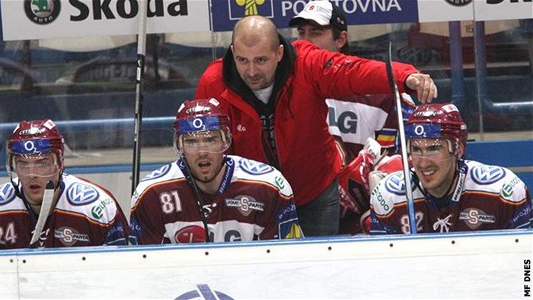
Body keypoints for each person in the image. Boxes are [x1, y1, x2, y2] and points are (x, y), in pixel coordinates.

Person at [195, 15, 437, 236]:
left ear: (279, 53)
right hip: (249, 198)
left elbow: (352, 71)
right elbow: (203, 145)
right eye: (242, 60)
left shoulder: (307, 63)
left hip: (315, 192)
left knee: (319, 274)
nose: (251, 71)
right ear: (232, 52)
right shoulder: (214, 82)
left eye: (261, 60)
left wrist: (404, 76)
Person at [289, 0, 415, 234]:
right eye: (301, 32)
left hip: (366, 218)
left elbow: (402, 165)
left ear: (341, 39)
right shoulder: (283, 88)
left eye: (315, 33)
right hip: (303, 207)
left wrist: (364, 181)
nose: (304, 42)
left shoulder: (380, 94)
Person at [129, 98, 303, 244]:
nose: (202, 151)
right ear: (179, 146)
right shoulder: (151, 194)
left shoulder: (268, 186)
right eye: (191, 142)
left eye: (210, 139)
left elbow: (285, 261)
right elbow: (145, 269)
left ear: (225, 141)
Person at [370, 104, 532, 234]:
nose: (423, 163)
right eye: (416, 149)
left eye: (434, 149)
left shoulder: (503, 191)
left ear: (458, 150)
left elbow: (526, 263)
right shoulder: (389, 197)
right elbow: (384, 269)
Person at [0, 119, 129, 250]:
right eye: (23, 164)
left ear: (59, 163)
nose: (32, 174)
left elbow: (120, 270)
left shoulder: (97, 208)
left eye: (41, 164)